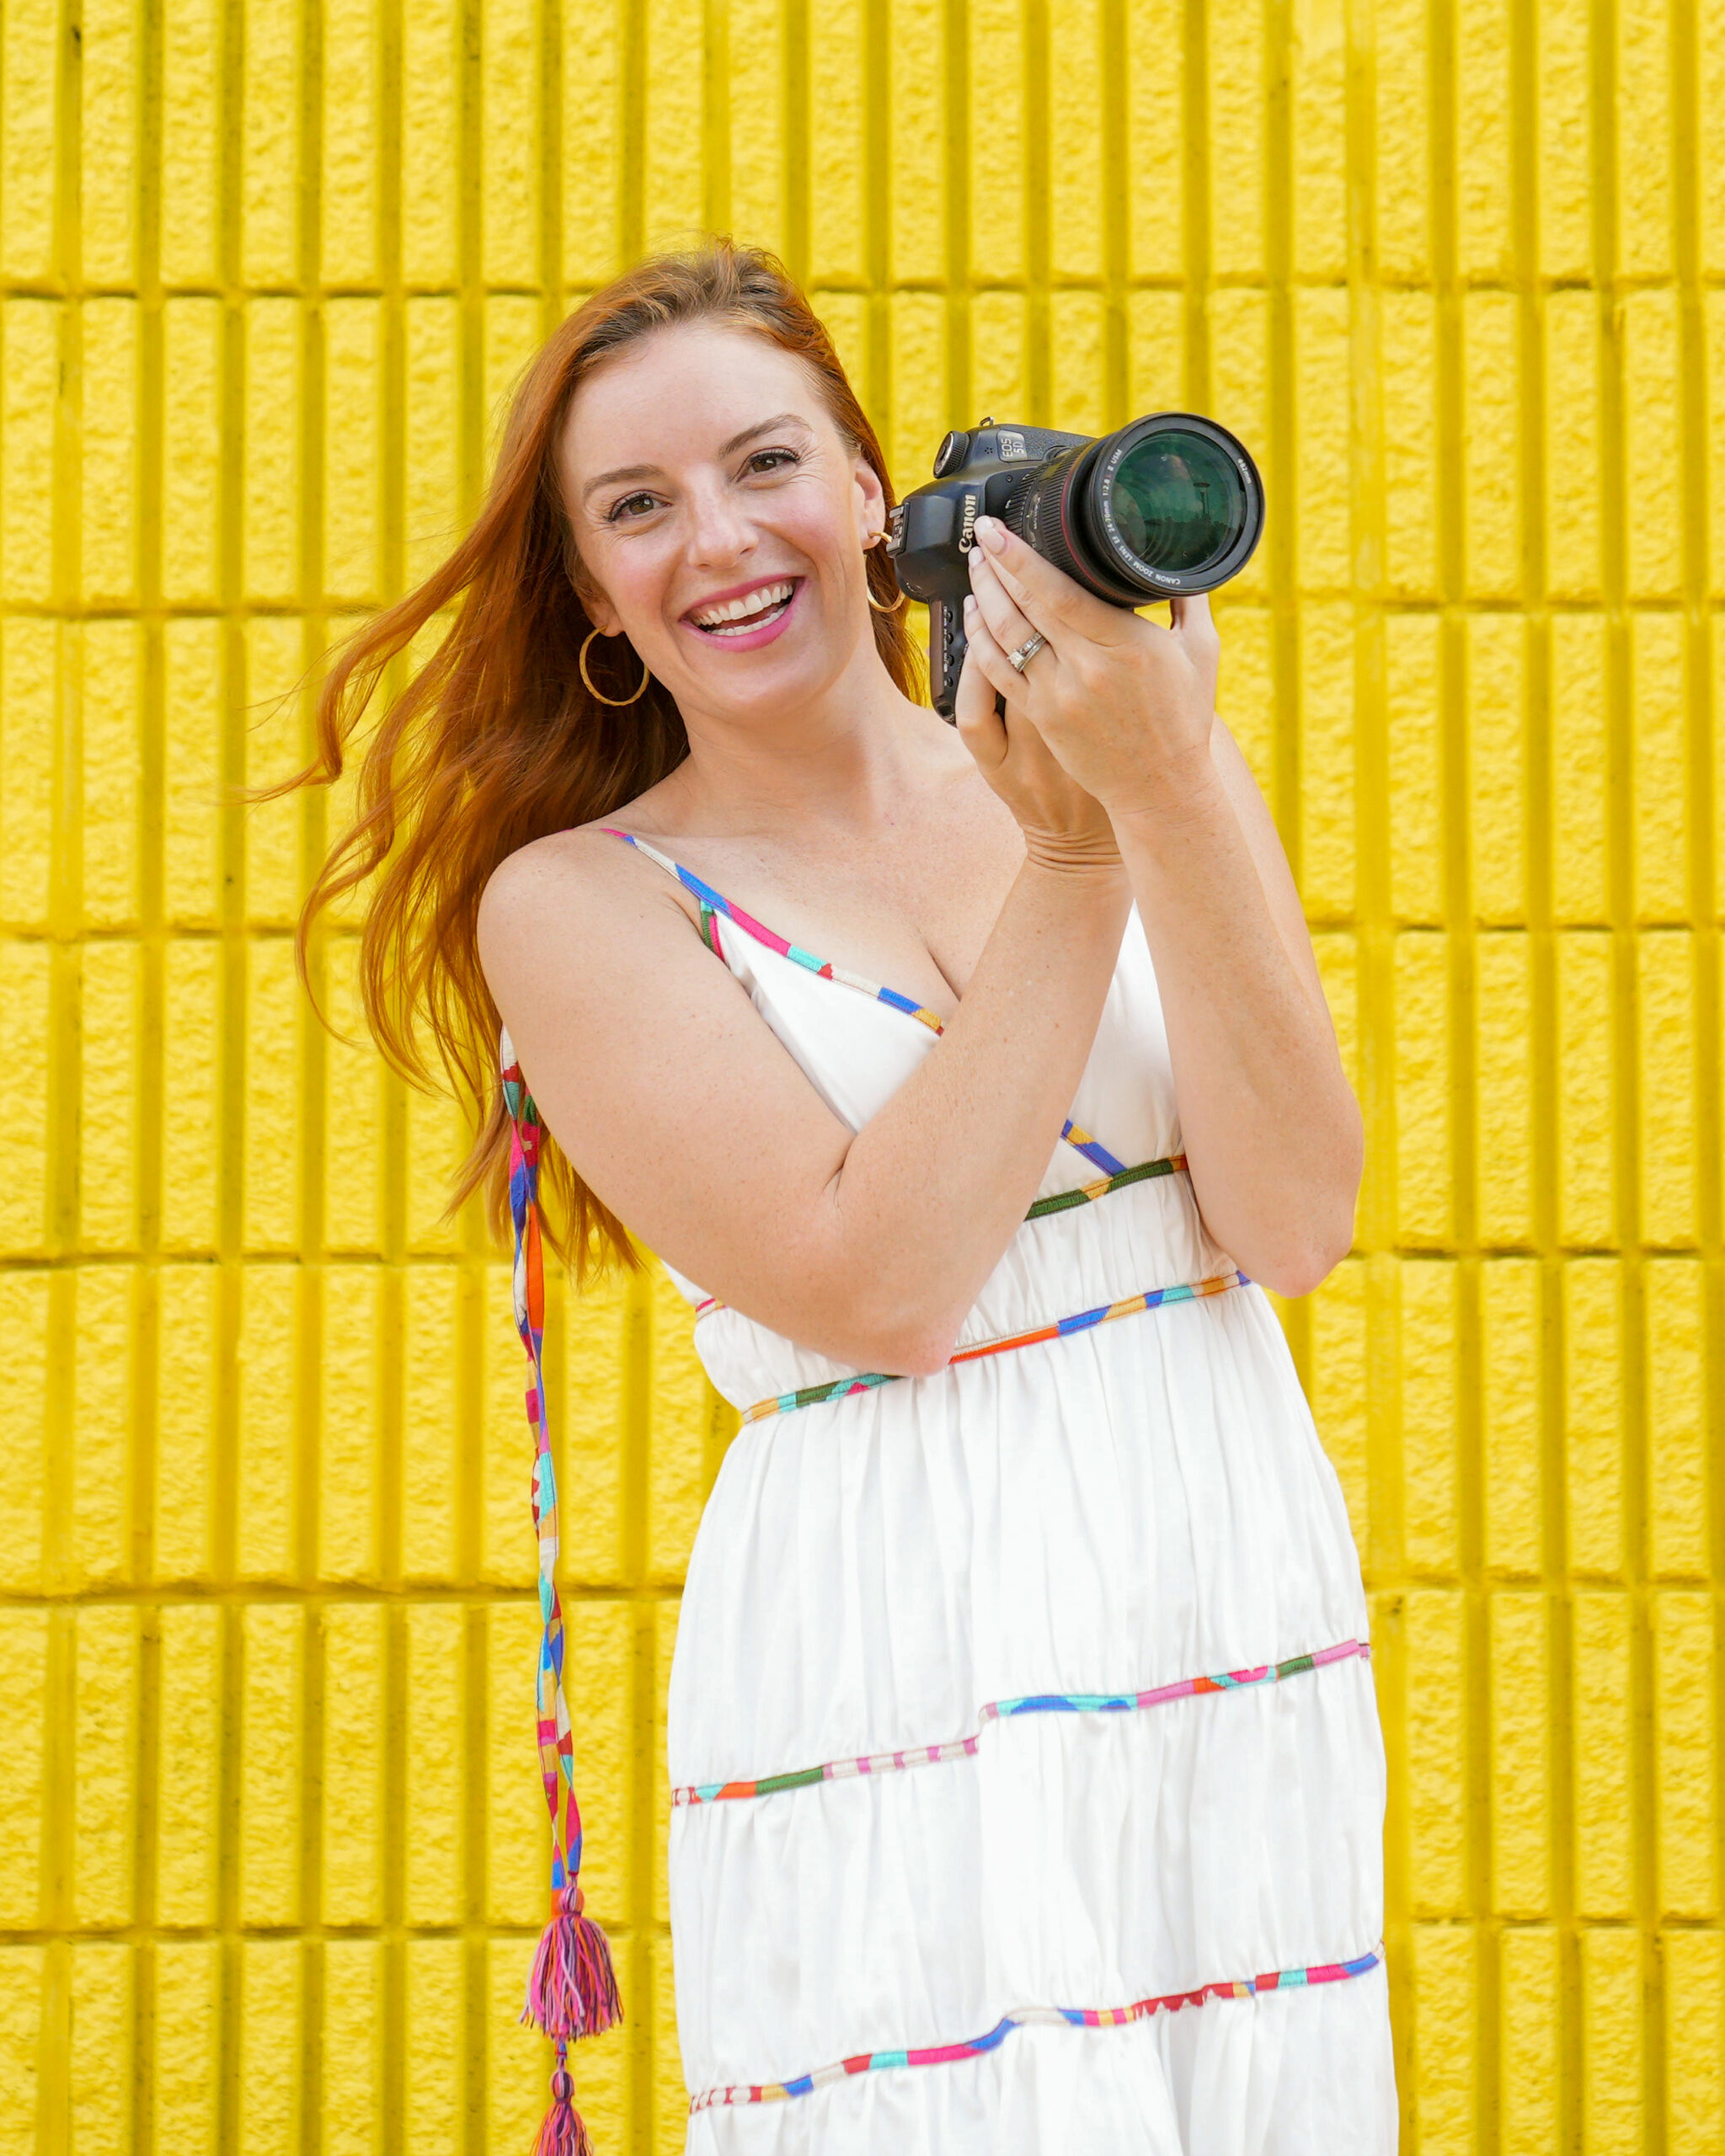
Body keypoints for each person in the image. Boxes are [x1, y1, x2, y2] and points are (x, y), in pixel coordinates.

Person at [296, 240, 1396, 2153]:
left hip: (1215, 1563)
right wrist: (1079, 850)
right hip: (898, 1615)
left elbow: (1292, 1218)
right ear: (594, 602)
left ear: (874, 494)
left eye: (762, 463)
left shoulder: (1144, 745)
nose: (716, 538)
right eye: (635, 508)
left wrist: (1176, 782)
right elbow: (876, 1286)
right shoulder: (581, 904)